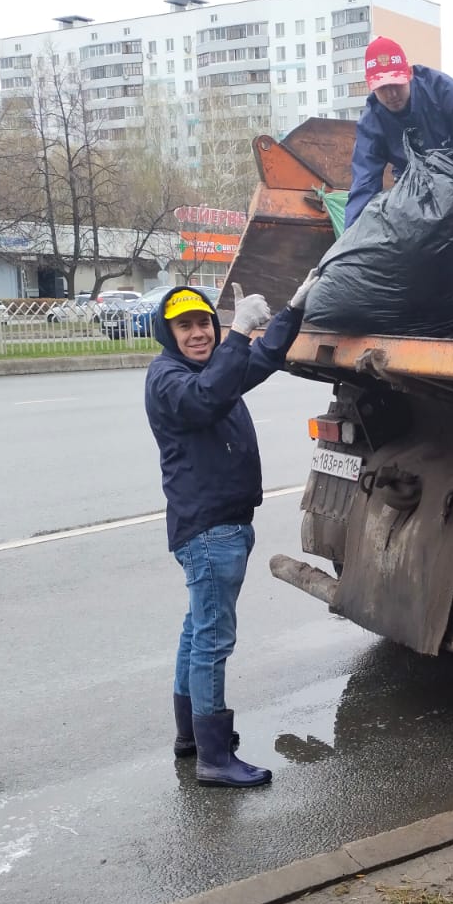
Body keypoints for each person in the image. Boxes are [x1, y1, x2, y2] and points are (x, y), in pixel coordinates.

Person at [146, 276, 313, 787]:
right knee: (213, 640)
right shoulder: (169, 378)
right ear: (166, 333)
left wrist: (292, 311)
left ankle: (190, 737)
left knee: (197, 631)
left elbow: (258, 363)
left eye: (204, 323)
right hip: (209, 530)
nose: (198, 333)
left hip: (221, 525)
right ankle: (215, 758)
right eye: (185, 326)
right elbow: (206, 399)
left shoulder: (209, 368)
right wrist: (238, 333)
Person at [346, 36, 453, 338]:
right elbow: (363, 184)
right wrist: (350, 242)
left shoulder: (442, 90)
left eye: (396, 83)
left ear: (408, 74)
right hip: (416, 203)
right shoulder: (373, 121)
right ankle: (448, 339)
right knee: (426, 271)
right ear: (372, 87)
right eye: (383, 88)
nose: (392, 94)